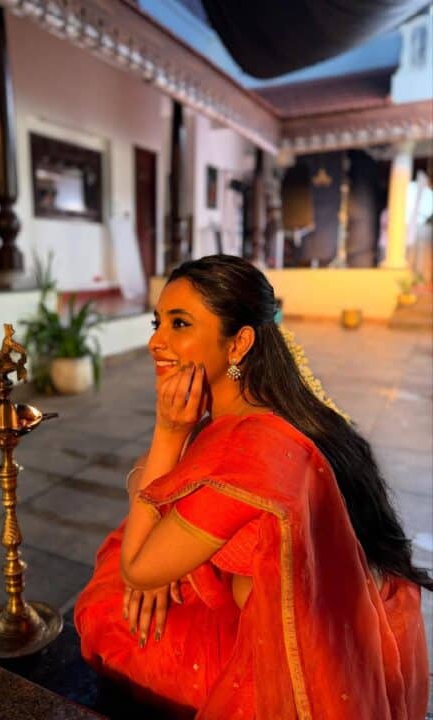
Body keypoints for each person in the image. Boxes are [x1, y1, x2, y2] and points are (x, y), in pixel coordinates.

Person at [74, 255, 431, 719]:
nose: (155, 342)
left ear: (240, 342)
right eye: (157, 322)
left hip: (298, 651)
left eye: (179, 324)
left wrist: (169, 432)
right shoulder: (276, 405)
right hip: (352, 623)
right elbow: (150, 480)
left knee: (109, 608)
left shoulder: (247, 447)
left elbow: (138, 569)